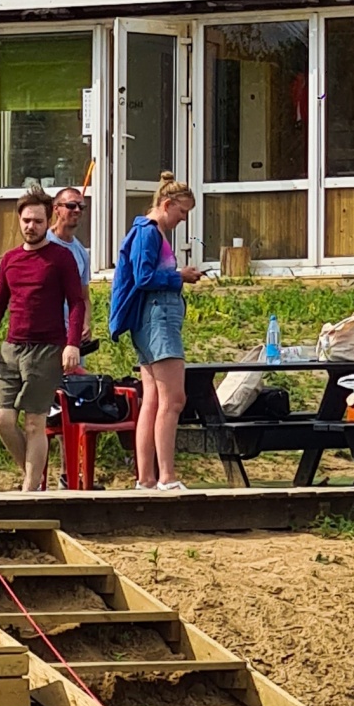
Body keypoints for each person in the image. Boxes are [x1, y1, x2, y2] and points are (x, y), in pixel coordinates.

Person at [0, 190, 88, 492]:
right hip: (12, 348)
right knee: (2, 420)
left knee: (35, 423)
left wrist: (72, 343)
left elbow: (76, 302)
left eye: (38, 221)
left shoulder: (61, 258)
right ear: (19, 220)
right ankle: (35, 476)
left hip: (47, 349)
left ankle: (30, 488)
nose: (31, 226)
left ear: (48, 219)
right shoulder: (10, 260)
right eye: (26, 220)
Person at [107, 173, 203, 491]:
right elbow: (144, 278)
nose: (183, 219)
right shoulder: (149, 233)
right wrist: (180, 276)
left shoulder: (152, 232)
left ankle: (146, 477)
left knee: (152, 399)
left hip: (153, 320)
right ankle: (167, 476)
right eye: (182, 212)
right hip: (157, 320)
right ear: (167, 204)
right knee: (174, 399)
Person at [49, 187, 90, 286]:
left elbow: (84, 297)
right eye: (71, 205)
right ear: (56, 209)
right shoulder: (42, 243)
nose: (77, 210)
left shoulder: (82, 253)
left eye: (81, 207)